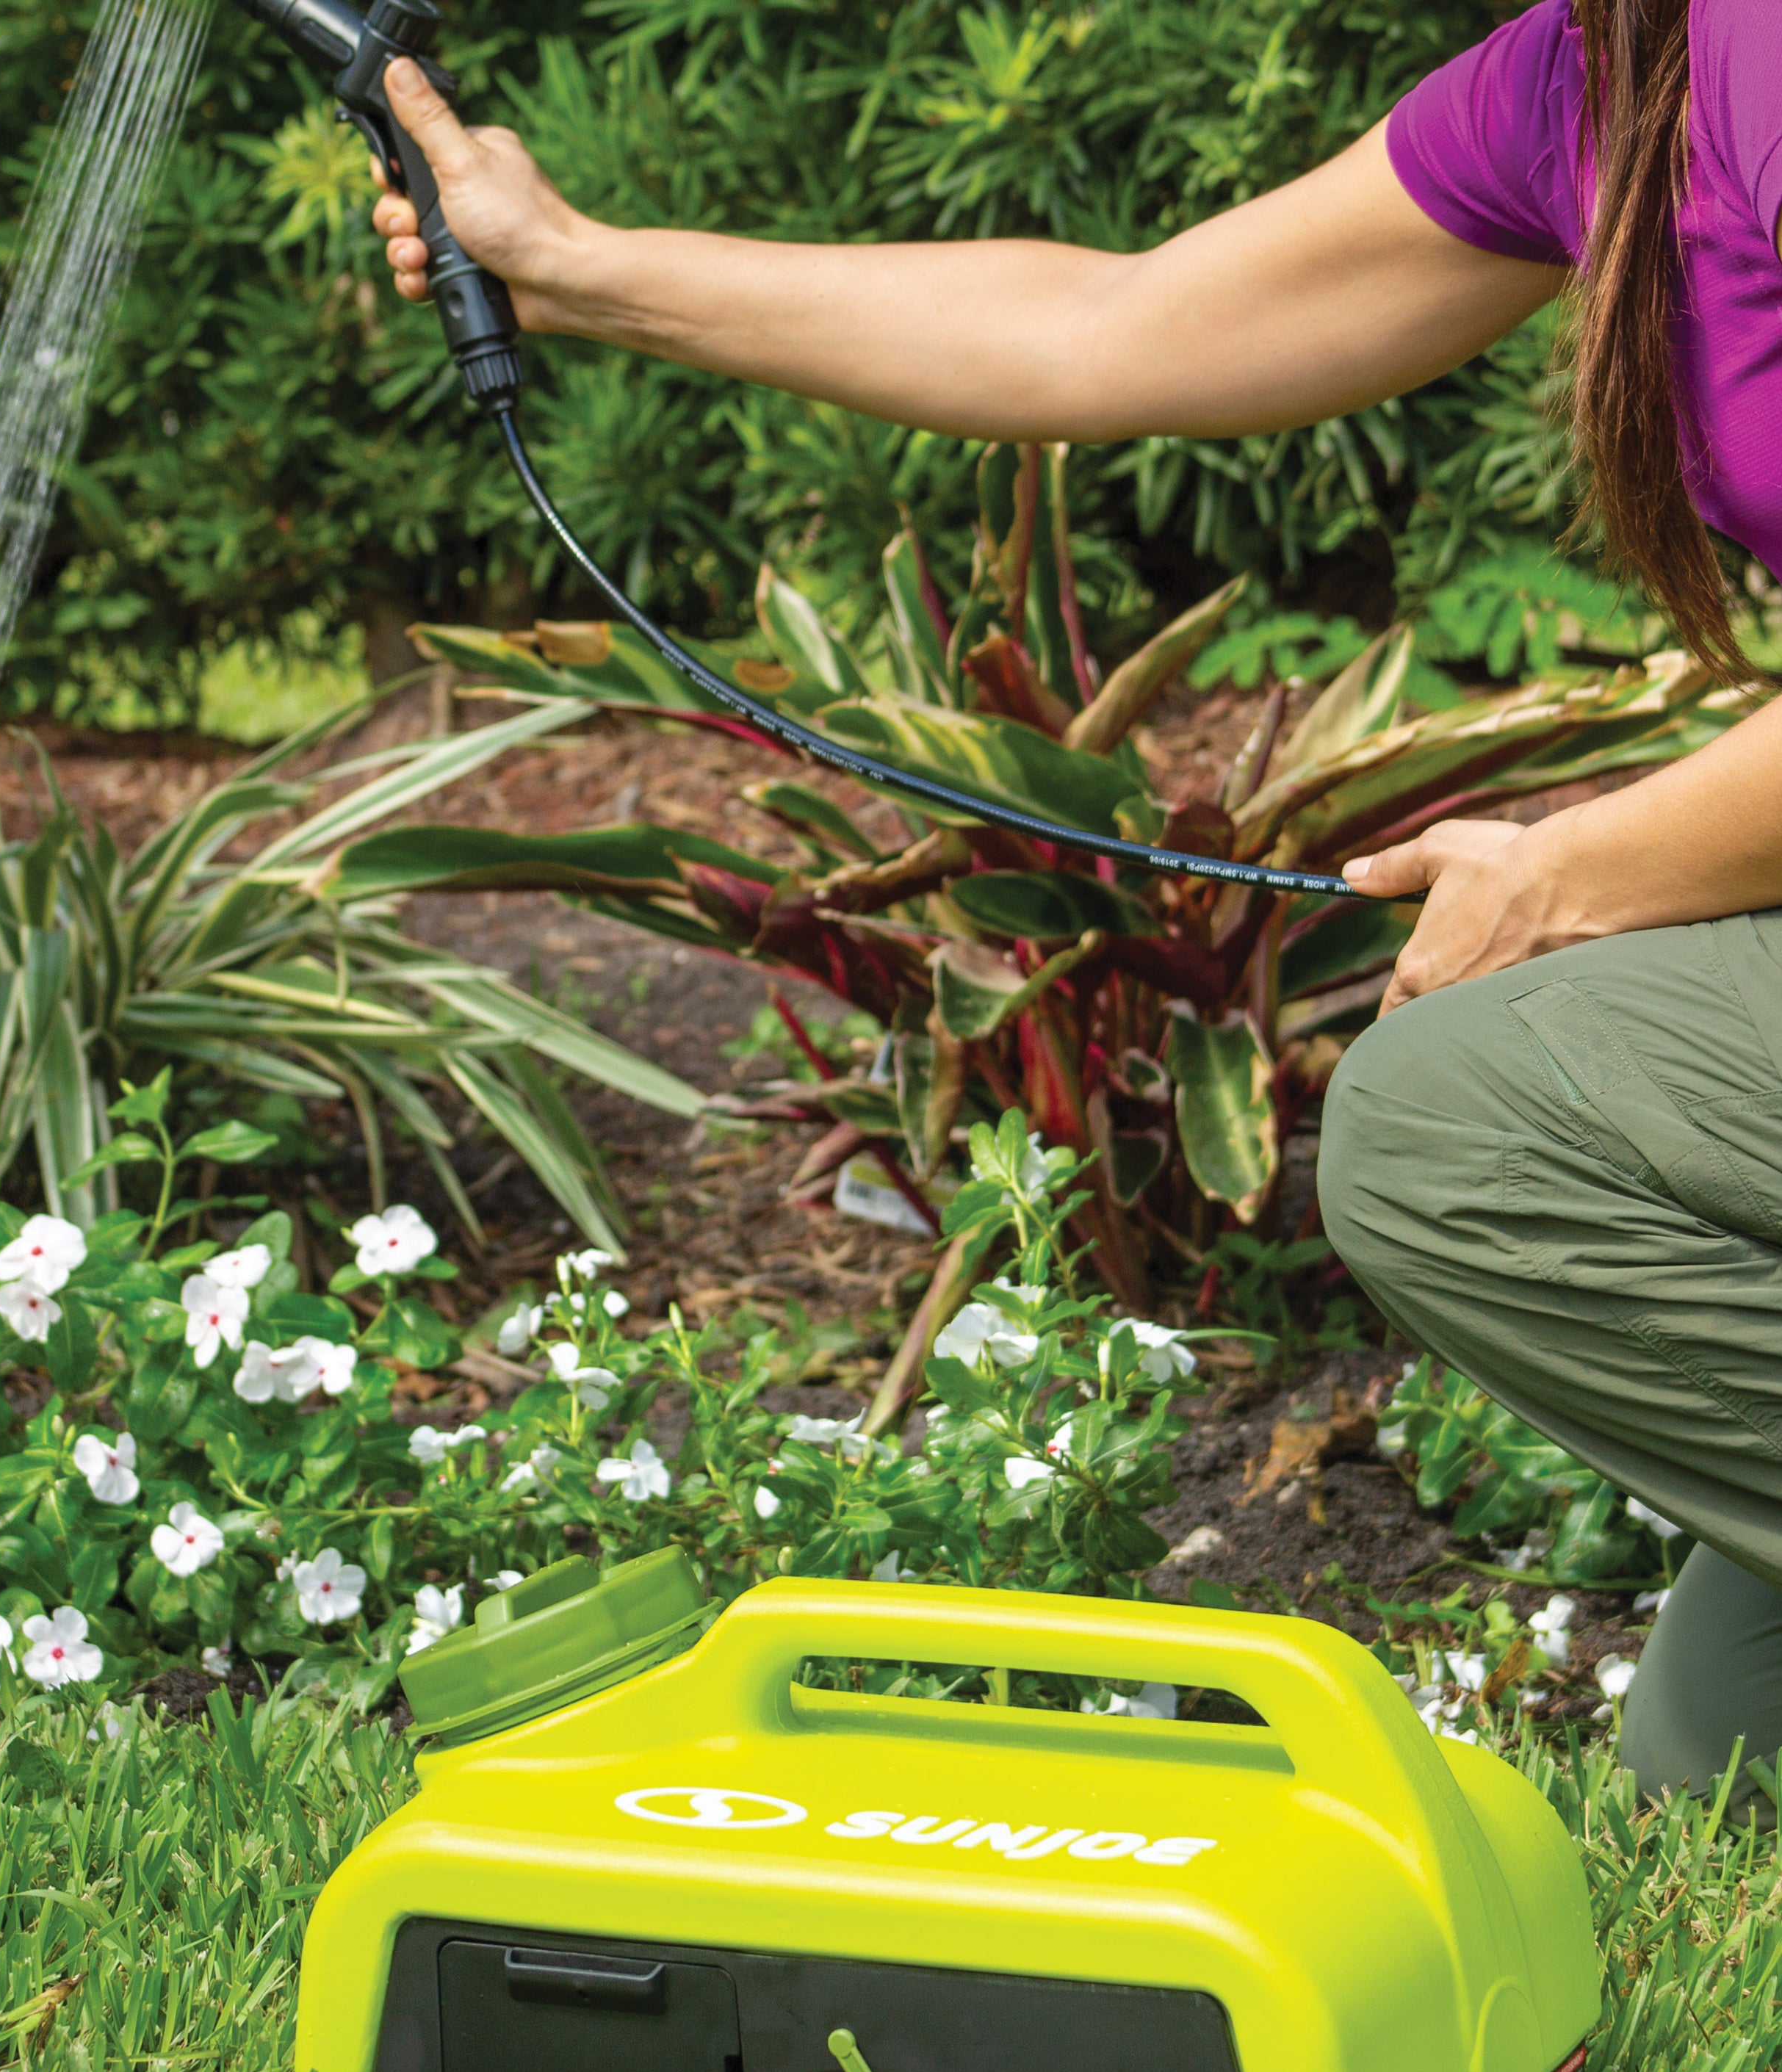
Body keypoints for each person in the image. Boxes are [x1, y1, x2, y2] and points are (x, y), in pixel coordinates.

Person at [367, 0, 1782, 1822]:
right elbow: (1103, 326)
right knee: (1721, 1748)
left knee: (1453, 1124)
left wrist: (1573, 867)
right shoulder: (1609, 81)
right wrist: (577, 269)